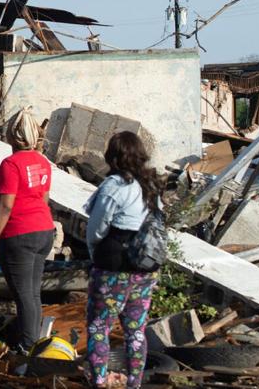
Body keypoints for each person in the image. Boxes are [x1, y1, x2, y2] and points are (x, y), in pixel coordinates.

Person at [83, 131, 164, 389]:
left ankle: (99, 380)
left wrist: (94, 254)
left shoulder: (115, 186)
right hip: (145, 270)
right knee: (136, 330)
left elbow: (96, 229)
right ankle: (134, 384)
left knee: (99, 326)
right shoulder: (151, 186)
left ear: (113, 156)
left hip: (113, 268)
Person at [0, 108, 55, 353]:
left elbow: (6, 206)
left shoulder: (11, 165)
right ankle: (33, 345)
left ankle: (27, 348)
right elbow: (44, 199)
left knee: (24, 296)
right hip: (44, 231)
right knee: (33, 294)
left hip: (18, 235)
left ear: (11, 136)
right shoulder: (43, 163)